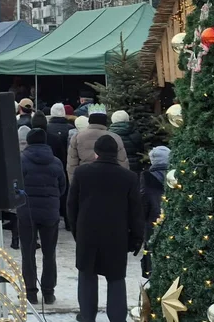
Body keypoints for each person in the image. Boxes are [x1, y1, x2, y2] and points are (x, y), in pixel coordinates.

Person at [69, 135, 143, 322]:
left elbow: (71, 205)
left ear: (96, 152)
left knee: (87, 276)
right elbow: (135, 211)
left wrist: (76, 230)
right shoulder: (129, 177)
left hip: (87, 233)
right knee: (116, 278)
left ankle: (87, 317)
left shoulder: (82, 173)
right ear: (116, 153)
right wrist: (136, 237)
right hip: (116, 234)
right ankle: (117, 318)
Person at [19, 128, 66, 305]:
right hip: (50, 212)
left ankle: (30, 291)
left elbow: (15, 186)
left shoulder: (21, 160)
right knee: (49, 253)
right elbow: (62, 187)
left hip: (27, 211)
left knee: (28, 253)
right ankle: (48, 292)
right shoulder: (56, 162)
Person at [67, 106, 129, 182]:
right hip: (110, 180)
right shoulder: (115, 137)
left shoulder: (77, 137)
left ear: (89, 121)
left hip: (85, 179)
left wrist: (74, 183)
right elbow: (122, 162)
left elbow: (72, 164)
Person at [140, 146, 170, 278]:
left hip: (152, 222)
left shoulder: (147, 178)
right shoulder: (176, 176)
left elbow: (143, 203)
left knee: (152, 255)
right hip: (173, 222)